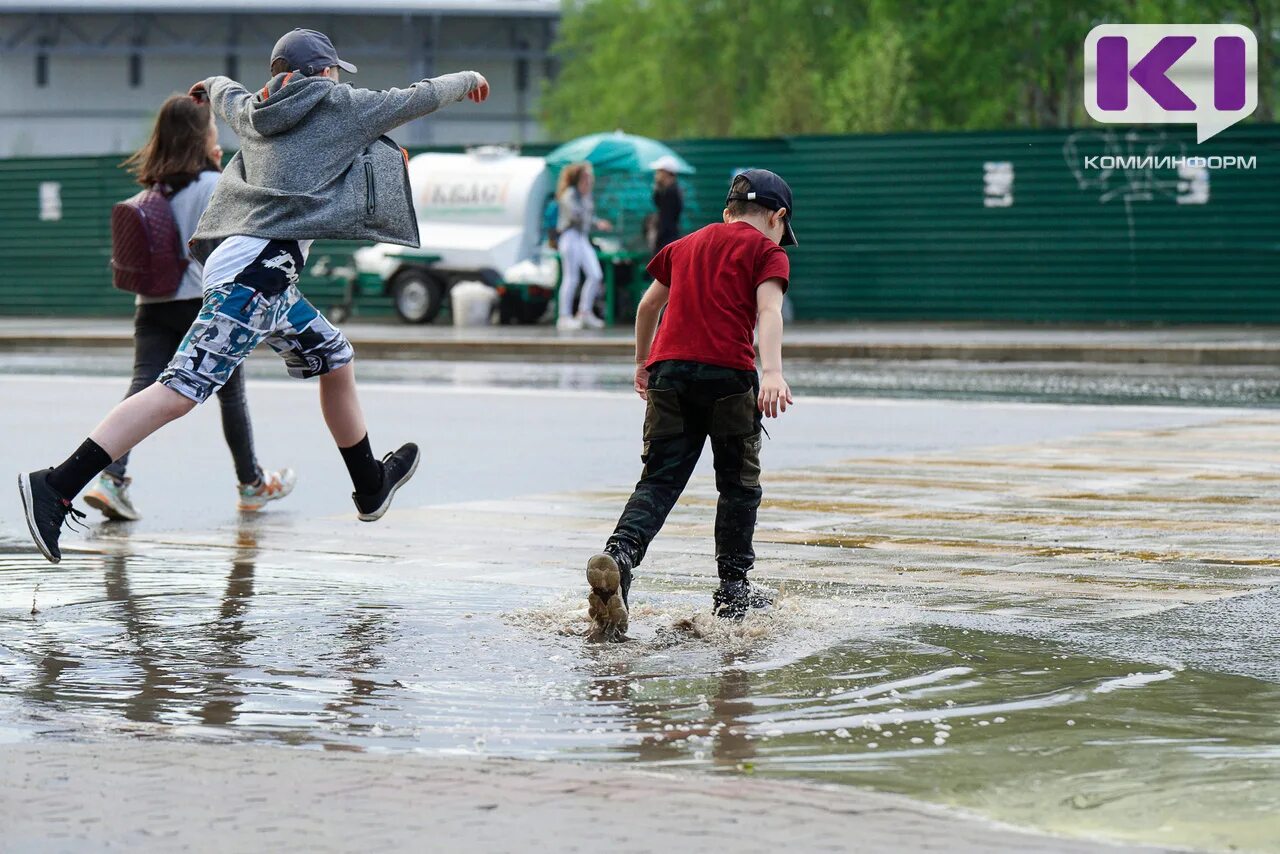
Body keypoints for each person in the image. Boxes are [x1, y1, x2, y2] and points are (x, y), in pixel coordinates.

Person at [18, 27, 490, 564]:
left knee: (334, 357)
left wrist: (210, 85)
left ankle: (370, 483)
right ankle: (56, 485)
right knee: (179, 390)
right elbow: (415, 96)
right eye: (335, 70)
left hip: (257, 268)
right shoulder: (342, 104)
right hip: (257, 273)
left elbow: (225, 93)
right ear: (326, 71)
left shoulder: (255, 110)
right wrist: (469, 78)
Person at [585, 169, 798, 640]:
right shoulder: (768, 251)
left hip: (669, 373)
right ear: (777, 217)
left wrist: (643, 363)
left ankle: (619, 558)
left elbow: (647, 308)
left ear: (728, 212)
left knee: (659, 479)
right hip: (728, 375)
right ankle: (733, 591)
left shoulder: (684, 245)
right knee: (738, 486)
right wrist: (774, 372)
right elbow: (768, 311)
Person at [83, 94, 295, 522]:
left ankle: (111, 478)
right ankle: (251, 484)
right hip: (202, 303)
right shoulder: (213, 186)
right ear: (203, 138)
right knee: (231, 395)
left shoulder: (153, 189)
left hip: (152, 305)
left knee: (143, 387)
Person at [555, 162, 612, 331]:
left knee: (595, 274)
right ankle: (564, 316)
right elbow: (575, 215)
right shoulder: (570, 194)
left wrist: (598, 222)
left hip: (582, 237)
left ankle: (584, 313)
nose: (589, 180)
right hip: (570, 236)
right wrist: (584, 199)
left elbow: (589, 216)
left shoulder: (586, 195)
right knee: (571, 277)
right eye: (585, 177)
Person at [649, 155, 685, 253]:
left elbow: (666, 218)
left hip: (667, 239)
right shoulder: (667, 191)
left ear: (666, 173)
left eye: (659, 171)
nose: (656, 174)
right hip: (666, 238)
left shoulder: (672, 192)